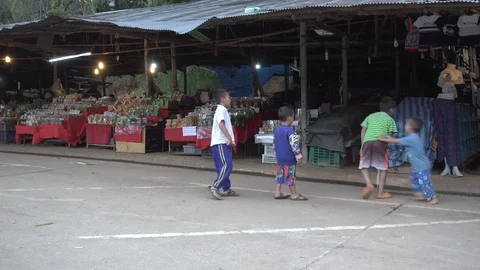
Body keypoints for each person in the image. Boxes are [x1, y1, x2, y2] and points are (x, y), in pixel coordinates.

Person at [379, 117, 439, 205]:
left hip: (422, 166)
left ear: (410, 127)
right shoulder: (412, 137)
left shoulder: (412, 138)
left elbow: (397, 141)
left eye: (406, 124)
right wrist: (389, 137)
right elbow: (398, 140)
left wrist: (384, 139)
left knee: (424, 182)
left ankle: (434, 198)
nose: (405, 126)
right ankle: (419, 194)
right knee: (414, 180)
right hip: (417, 166)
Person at [359, 96, 398, 199]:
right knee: (383, 168)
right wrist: (387, 146)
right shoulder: (390, 120)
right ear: (391, 109)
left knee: (363, 165)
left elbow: (363, 129)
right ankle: (380, 192)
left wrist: (362, 144)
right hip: (380, 143)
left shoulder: (370, 116)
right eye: (395, 109)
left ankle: (368, 184)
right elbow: (389, 136)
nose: (395, 111)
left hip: (367, 142)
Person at [209, 89, 238, 200]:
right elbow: (221, 124)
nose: (229, 99)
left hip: (219, 143)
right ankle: (215, 186)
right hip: (221, 142)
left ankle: (225, 188)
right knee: (227, 165)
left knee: (222, 166)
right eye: (228, 97)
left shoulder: (221, 110)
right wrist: (229, 138)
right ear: (222, 99)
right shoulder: (221, 109)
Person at [273, 106, 307, 201]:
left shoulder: (277, 130)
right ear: (289, 118)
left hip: (280, 158)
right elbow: (294, 145)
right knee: (290, 175)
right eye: (293, 116)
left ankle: (277, 192)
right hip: (289, 158)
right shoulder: (290, 131)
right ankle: (293, 194)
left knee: (280, 174)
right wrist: (299, 156)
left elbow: (274, 143)